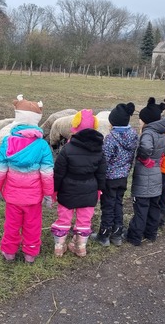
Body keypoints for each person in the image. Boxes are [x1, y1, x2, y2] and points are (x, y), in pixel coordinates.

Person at [0, 95, 54, 264]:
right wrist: (48, 194)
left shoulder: (7, 142)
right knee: (32, 226)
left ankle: (9, 253)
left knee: (11, 225)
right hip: (34, 198)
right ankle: (30, 254)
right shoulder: (42, 146)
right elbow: (47, 174)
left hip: (12, 196)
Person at [50, 109, 106, 257]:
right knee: (84, 220)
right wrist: (99, 189)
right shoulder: (99, 150)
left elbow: (58, 173)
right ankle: (80, 247)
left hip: (67, 191)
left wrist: (54, 190)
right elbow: (101, 173)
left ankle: (59, 246)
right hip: (89, 191)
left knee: (64, 218)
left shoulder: (67, 149)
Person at [125, 97, 165, 246]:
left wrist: (145, 158)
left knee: (141, 208)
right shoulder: (161, 133)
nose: (139, 122)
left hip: (144, 177)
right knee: (154, 206)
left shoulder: (147, 133)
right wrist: (159, 156)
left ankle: (135, 237)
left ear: (146, 120)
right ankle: (151, 233)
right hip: (156, 176)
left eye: (140, 119)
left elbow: (145, 148)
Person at [92, 103, 138, 247]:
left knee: (108, 206)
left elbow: (104, 159)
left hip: (110, 178)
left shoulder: (111, 138)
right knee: (118, 203)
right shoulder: (133, 135)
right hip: (123, 177)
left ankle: (104, 235)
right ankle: (117, 235)